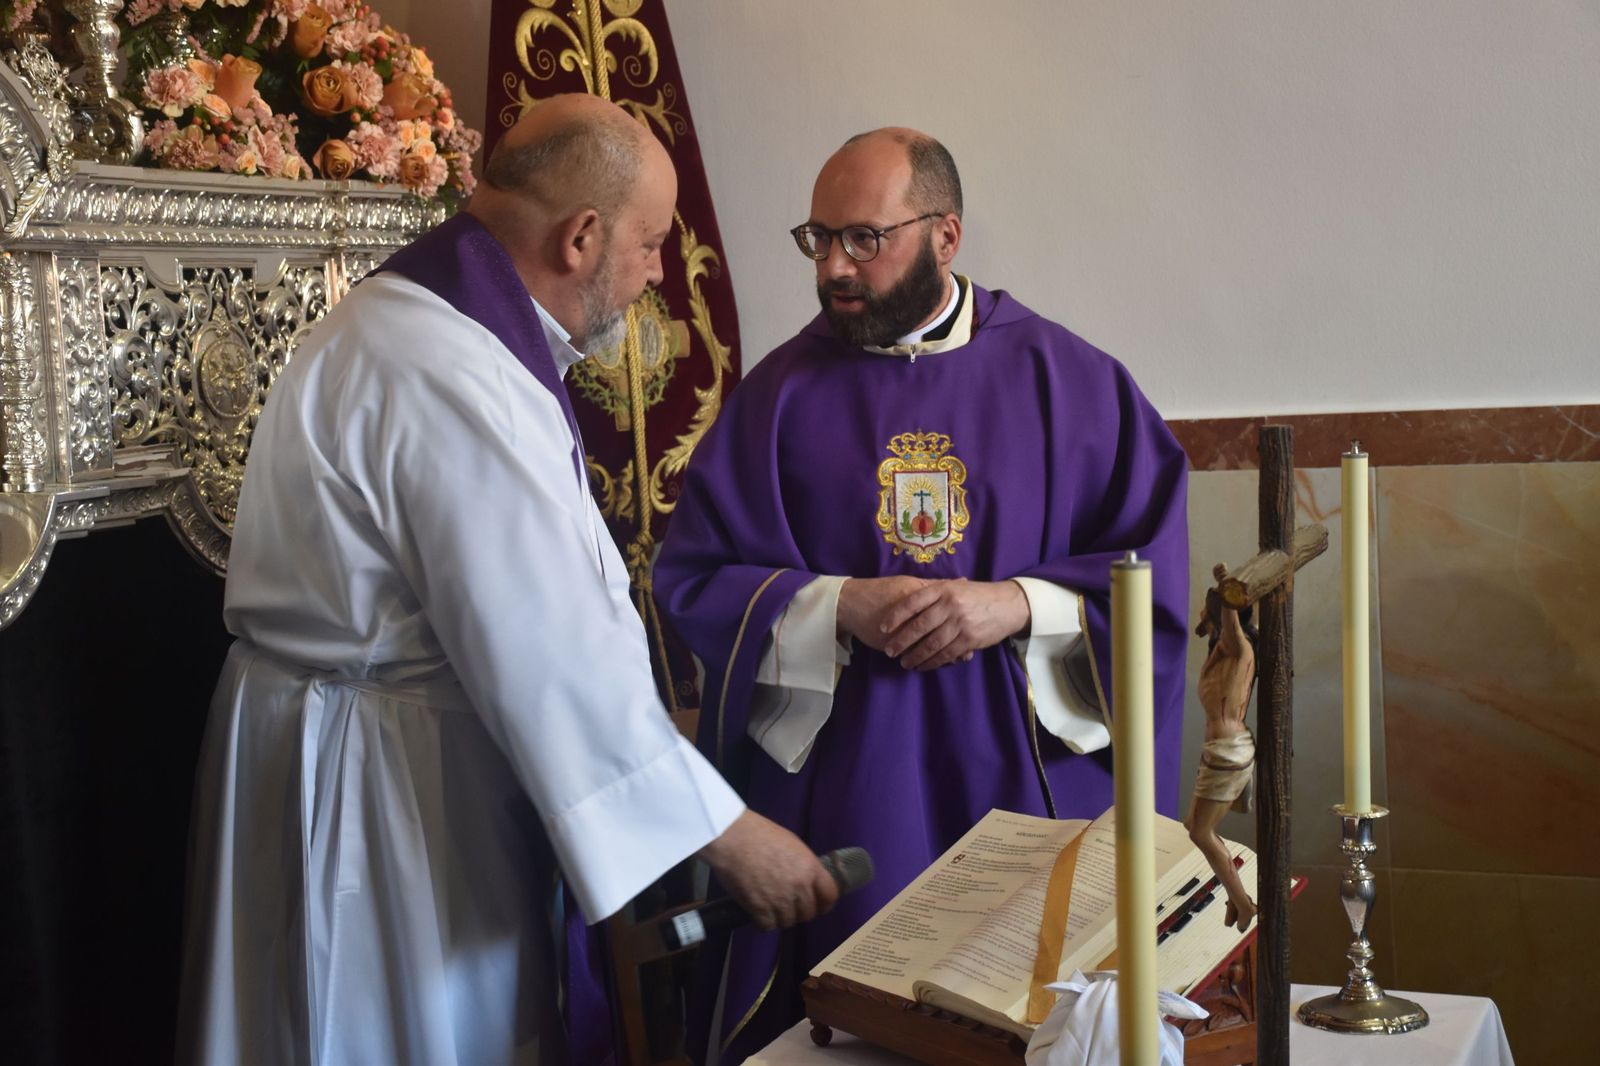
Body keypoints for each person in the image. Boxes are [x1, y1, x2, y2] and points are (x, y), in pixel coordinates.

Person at [175, 93, 838, 1066]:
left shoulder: (436, 326)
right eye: (650, 245)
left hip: (388, 746)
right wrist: (726, 832)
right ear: (580, 236)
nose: (658, 274)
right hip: (376, 795)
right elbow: (543, 644)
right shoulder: (447, 365)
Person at [653, 128, 1191, 1058]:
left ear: (946, 236)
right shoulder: (777, 396)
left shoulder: (1071, 383)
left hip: (1023, 774)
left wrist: (1017, 603)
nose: (834, 267)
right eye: (818, 238)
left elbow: (1159, 580)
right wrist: (834, 604)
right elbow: (695, 578)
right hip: (857, 786)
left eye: (864, 238)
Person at [1188, 578, 1260, 932]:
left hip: (1229, 752)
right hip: (1217, 751)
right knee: (1196, 828)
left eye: (1205, 607)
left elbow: (1234, 625)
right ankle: (1236, 895)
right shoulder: (1219, 656)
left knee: (1200, 833)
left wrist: (1227, 596)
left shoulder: (1240, 650)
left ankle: (1244, 903)